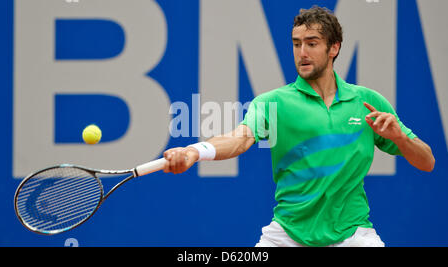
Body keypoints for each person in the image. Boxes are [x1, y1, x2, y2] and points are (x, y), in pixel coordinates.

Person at [161, 6, 435, 247]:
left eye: (312, 43)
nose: (302, 53)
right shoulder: (273, 102)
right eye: (296, 44)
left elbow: (427, 162)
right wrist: (195, 151)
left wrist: (400, 138)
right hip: (287, 235)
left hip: (353, 235)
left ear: (334, 48)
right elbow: (240, 138)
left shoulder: (368, 102)